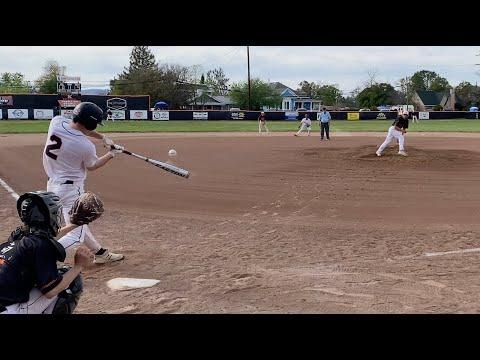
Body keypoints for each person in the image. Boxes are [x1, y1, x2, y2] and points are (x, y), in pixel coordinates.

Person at [43, 102, 124, 264]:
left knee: (77, 224)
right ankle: (41, 255)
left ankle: (100, 253)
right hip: (71, 190)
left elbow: (80, 128)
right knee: (76, 233)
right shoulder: (84, 146)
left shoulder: (57, 122)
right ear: (92, 123)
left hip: (52, 186)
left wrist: (102, 137)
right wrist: (112, 153)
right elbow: (92, 166)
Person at [0, 191, 90, 314]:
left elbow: (45, 238)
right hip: (8, 310)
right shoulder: (40, 246)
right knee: (69, 282)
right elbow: (50, 292)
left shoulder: (17, 239)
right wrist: (78, 266)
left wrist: (74, 225)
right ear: (48, 215)